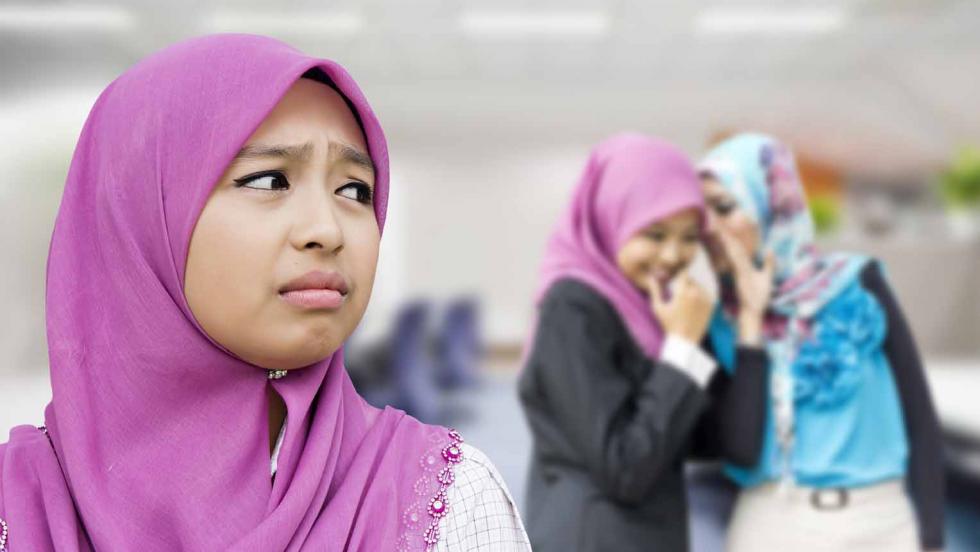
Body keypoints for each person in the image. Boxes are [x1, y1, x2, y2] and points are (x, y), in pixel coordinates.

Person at [0, 34, 529, 551]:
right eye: (270, 181)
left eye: (355, 190)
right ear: (140, 216)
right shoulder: (16, 506)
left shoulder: (446, 501)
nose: (327, 229)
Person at [518, 134, 768, 552]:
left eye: (689, 237)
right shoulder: (573, 309)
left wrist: (750, 322)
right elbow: (626, 468)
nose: (673, 256)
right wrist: (683, 349)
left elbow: (736, 445)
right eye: (653, 234)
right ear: (609, 219)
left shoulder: (663, 312)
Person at [700, 132, 945, 552]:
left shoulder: (859, 283)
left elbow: (919, 417)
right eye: (700, 214)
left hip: (881, 523)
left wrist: (932, 537)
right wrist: (752, 326)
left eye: (724, 207)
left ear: (770, 205)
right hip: (774, 525)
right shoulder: (720, 322)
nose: (710, 227)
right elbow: (739, 450)